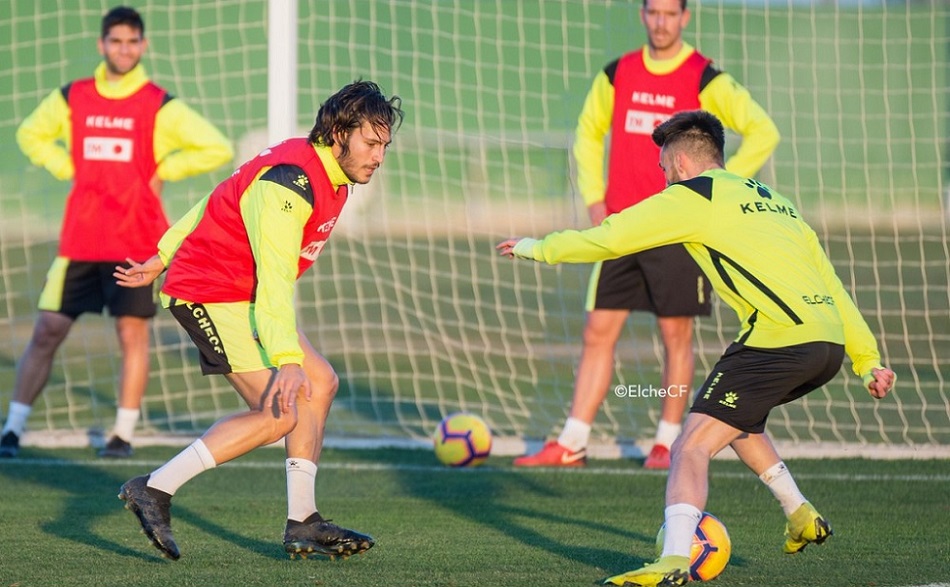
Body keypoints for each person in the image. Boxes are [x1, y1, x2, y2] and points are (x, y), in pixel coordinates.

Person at [497, 110, 895, 587]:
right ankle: (800, 512)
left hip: (776, 341)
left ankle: (673, 559)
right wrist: (866, 359)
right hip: (825, 345)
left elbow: (610, 238)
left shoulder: (692, 195)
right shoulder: (775, 201)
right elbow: (831, 282)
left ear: (682, 163)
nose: (664, 181)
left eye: (664, 171)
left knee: (689, 445)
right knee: (735, 418)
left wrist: (535, 247)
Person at [111, 80, 404, 561]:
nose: (378, 157)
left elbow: (217, 196)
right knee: (279, 414)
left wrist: (161, 253)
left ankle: (303, 521)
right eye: (371, 144)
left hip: (241, 294)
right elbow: (274, 281)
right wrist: (285, 358)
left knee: (321, 382)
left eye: (384, 146)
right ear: (337, 134)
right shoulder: (290, 184)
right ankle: (155, 489)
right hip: (209, 294)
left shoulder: (329, 173)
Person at [513, 0, 779, 470]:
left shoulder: (703, 76)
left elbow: (763, 132)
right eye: (653, 12)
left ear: (685, 18)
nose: (661, 22)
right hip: (621, 226)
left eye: (670, 14)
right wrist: (595, 198)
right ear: (642, 15)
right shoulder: (618, 73)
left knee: (675, 335)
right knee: (598, 330)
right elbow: (587, 133)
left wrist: (716, 187)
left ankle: (667, 442)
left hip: (677, 230)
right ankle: (573, 442)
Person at [1, 6, 233, 459]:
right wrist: (68, 166)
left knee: (132, 334)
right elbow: (31, 133)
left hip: (136, 241)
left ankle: (122, 433)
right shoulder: (74, 96)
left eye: (132, 41)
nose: (123, 49)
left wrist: (165, 167)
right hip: (80, 241)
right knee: (47, 330)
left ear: (142, 46)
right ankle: (12, 428)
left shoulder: (158, 103)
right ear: (101, 44)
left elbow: (217, 146)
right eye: (115, 41)